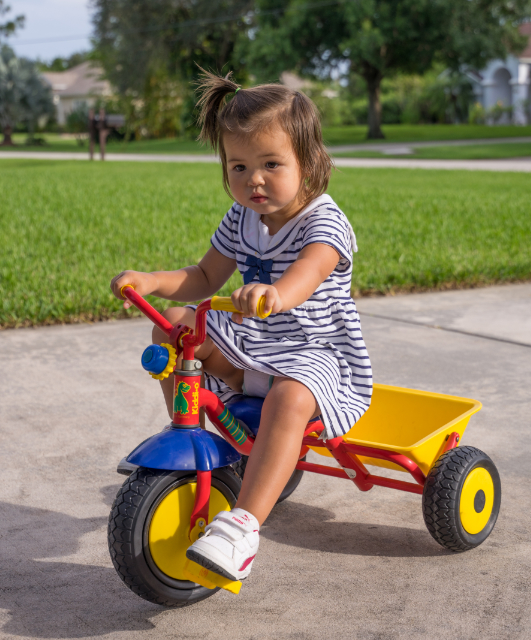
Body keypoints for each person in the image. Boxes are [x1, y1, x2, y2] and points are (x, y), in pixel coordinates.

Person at [110, 70, 372, 582]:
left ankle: (243, 528)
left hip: (315, 353)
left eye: (271, 164)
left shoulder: (324, 222)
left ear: (309, 163)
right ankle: (188, 442)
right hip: (254, 346)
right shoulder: (240, 218)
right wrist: (152, 281)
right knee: (177, 329)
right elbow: (205, 275)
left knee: (291, 398)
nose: (254, 179)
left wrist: (274, 294)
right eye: (239, 166)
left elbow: (306, 275)